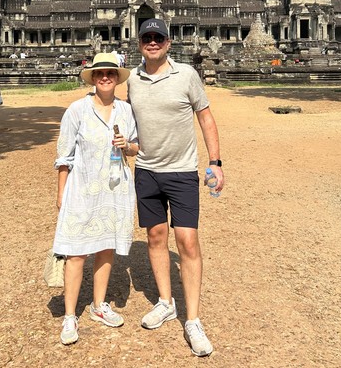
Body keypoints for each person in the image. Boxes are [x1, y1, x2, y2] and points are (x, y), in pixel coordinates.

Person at [127, 18, 225, 357]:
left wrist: (215, 162)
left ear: (168, 42)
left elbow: (206, 118)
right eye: (146, 38)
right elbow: (126, 122)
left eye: (158, 38)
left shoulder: (186, 75)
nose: (152, 42)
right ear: (139, 43)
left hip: (182, 171)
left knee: (187, 240)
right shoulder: (132, 80)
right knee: (155, 237)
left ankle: (193, 319)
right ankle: (166, 301)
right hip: (146, 170)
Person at [52, 52, 139, 346]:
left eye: (111, 74)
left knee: (105, 244)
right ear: (93, 77)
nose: (105, 77)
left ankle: (99, 305)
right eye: (100, 73)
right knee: (76, 253)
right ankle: (69, 315)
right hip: (82, 188)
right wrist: (61, 192)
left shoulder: (125, 111)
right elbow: (64, 155)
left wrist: (127, 145)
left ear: (117, 79)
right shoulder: (76, 110)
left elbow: (136, 147)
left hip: (114, 189)